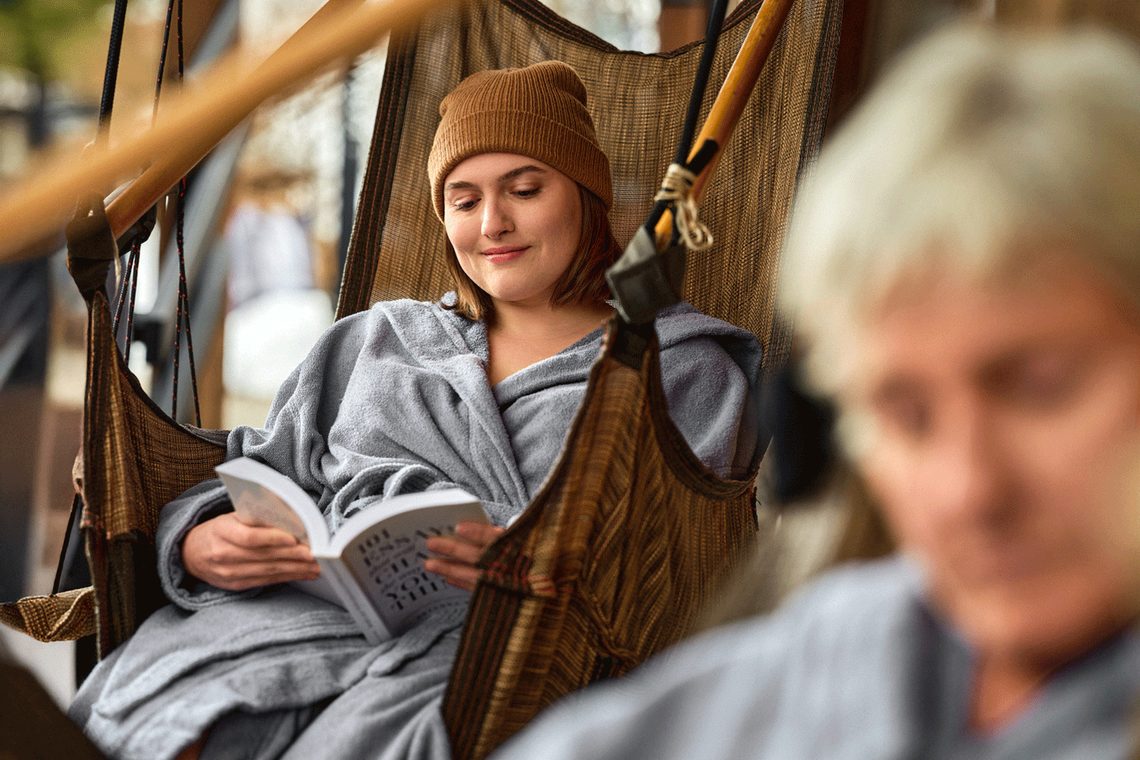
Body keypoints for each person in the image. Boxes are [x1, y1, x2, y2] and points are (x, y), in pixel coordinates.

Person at [67, 61, 762, 760]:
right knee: (173, 723)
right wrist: (198, 541)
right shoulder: (379, 338)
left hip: (502, 667)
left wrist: (534, 568)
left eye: (525, 190)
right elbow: (256, 466)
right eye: (464, 200)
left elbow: (686, 571)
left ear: (586, 197)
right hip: (291, 619)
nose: (492, 223)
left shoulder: (676, 369)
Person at [488, 23, 1140, 760]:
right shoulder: (854, 651)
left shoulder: (685, 369)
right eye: (906, 415)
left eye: (1042, 389)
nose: (971, 491)